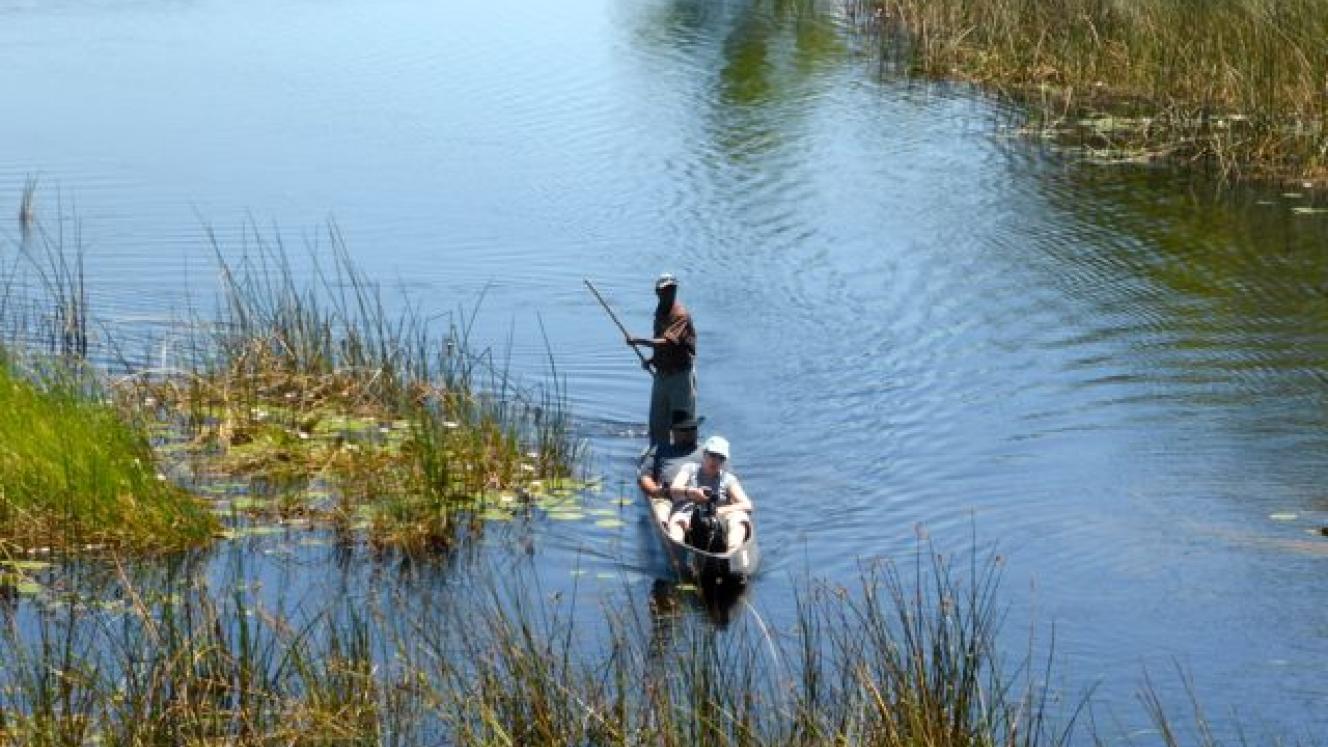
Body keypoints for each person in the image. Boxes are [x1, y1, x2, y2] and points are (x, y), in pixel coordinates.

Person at [626, 273, 697, 447]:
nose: (668, 293)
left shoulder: (681, 314)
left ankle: (683, 454)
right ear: (657, 292)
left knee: (682, 422)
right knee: (657, 422)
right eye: (664, 290)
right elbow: (660, 343)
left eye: (671, 289)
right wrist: (652, 360)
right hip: (662, 374)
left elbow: (667, 342)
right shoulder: (660, 311)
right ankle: (657, 457)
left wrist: (639, 341)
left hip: (680, 376)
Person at [665, 435, 753, 553]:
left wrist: (720, 511)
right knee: (678, 521)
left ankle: (732, 554)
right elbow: (674, 488)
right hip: (688, 513)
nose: (715, 461)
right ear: (704, 454)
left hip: (718, 518)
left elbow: (747, 504)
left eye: (720, 458)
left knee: (740, 518)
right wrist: (690, 492)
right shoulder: (690, 469)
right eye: (712, 455)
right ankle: (677, 551)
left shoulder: (727, 479)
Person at [637, 410, 705, 527]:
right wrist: (655, 491)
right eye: (684, 430)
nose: (689, 433)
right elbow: (645, 477)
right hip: (667, 498)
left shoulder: (708, 452)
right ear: (673, 431)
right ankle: (666, 530)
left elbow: (728, 477)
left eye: (693, 429)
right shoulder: (661, 450)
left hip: (701, 498)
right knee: (661, 512)